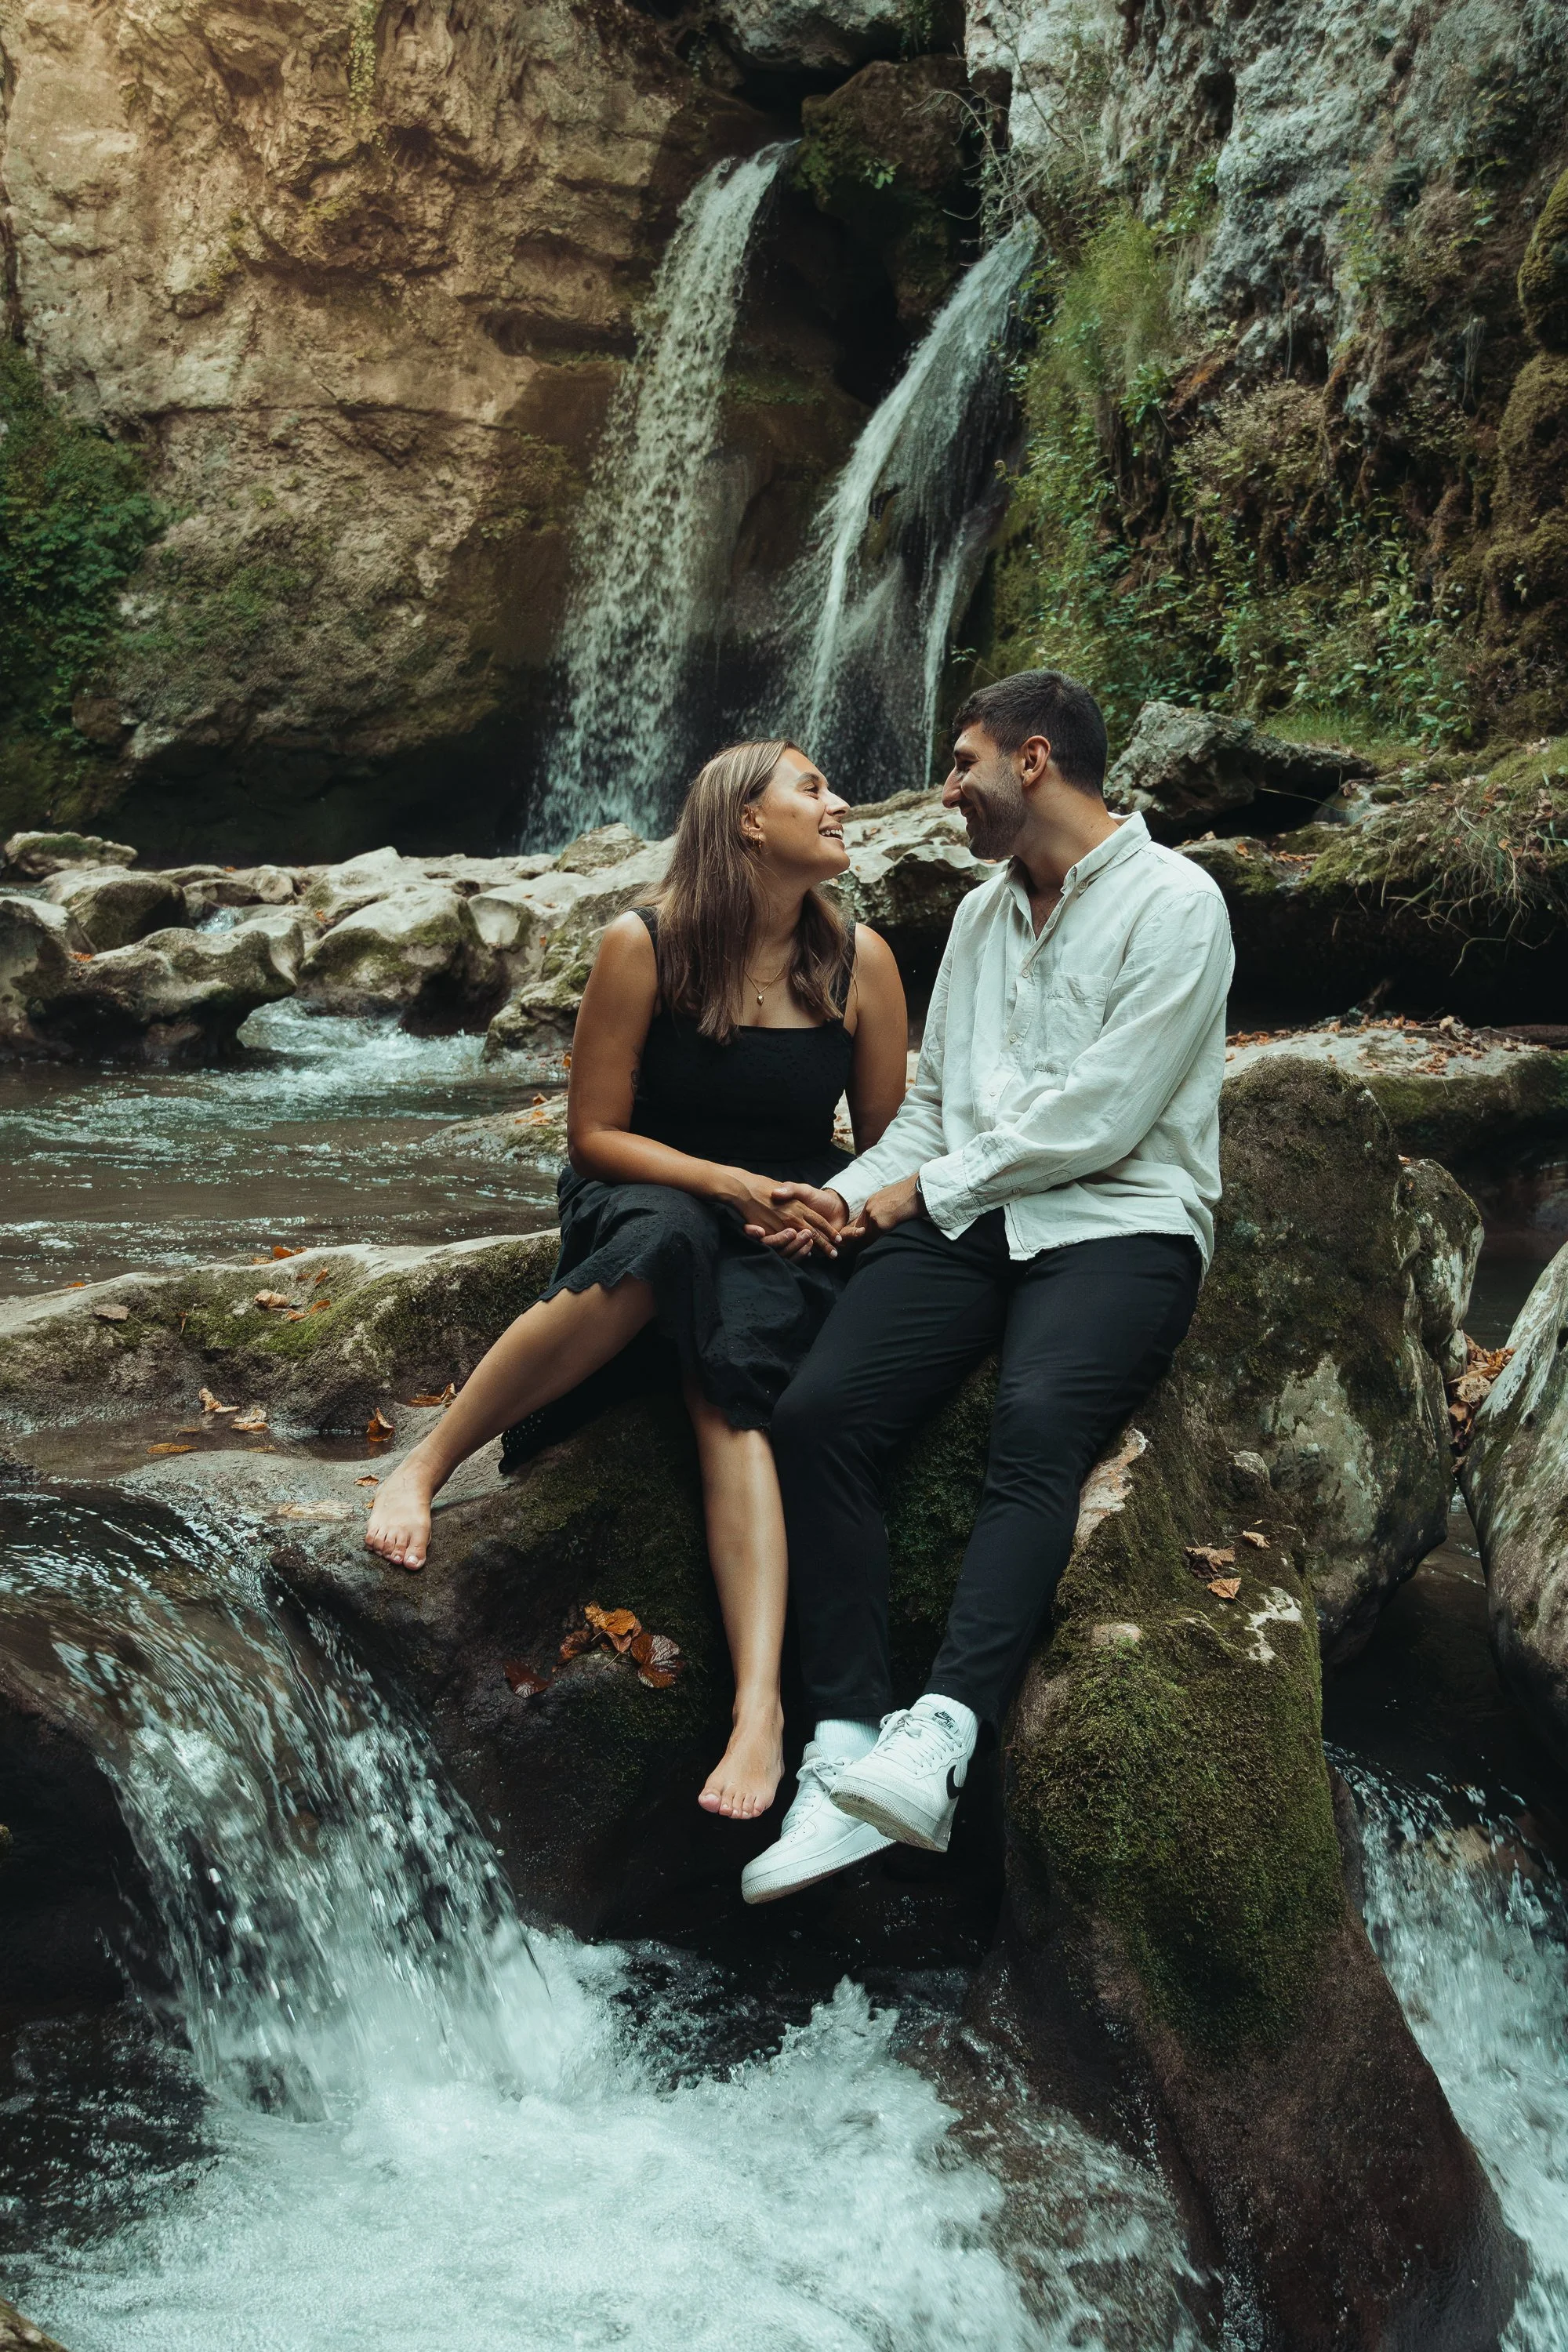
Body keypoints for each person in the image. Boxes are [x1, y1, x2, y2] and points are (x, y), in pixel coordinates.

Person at [739, 669, 1233, 1904]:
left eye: (960, 764)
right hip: (974, 1210)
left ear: (1034, 761)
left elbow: (1105, 1116)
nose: (942, 790)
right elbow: (935, 1118)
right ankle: (846, 1742)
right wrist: (849, 1201)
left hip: (1122, 1220)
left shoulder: (1181, 904)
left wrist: (919, 1193)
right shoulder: (974, 920)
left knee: (1036, 1427)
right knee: (819, 1414)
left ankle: (943, 1733)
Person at [365, 739, 908, 1824]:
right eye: (811, 787)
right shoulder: (642, 942)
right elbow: (596, 1135)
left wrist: (838, 1211)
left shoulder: (865, 961)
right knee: (667, 1250)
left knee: (735, 1372)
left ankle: (761, 1709)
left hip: (783, 1217)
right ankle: (423, 1466)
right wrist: (723, 1183)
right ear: (745, 821)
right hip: (651, 1182)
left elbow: (893, 1149)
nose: (838, 802)